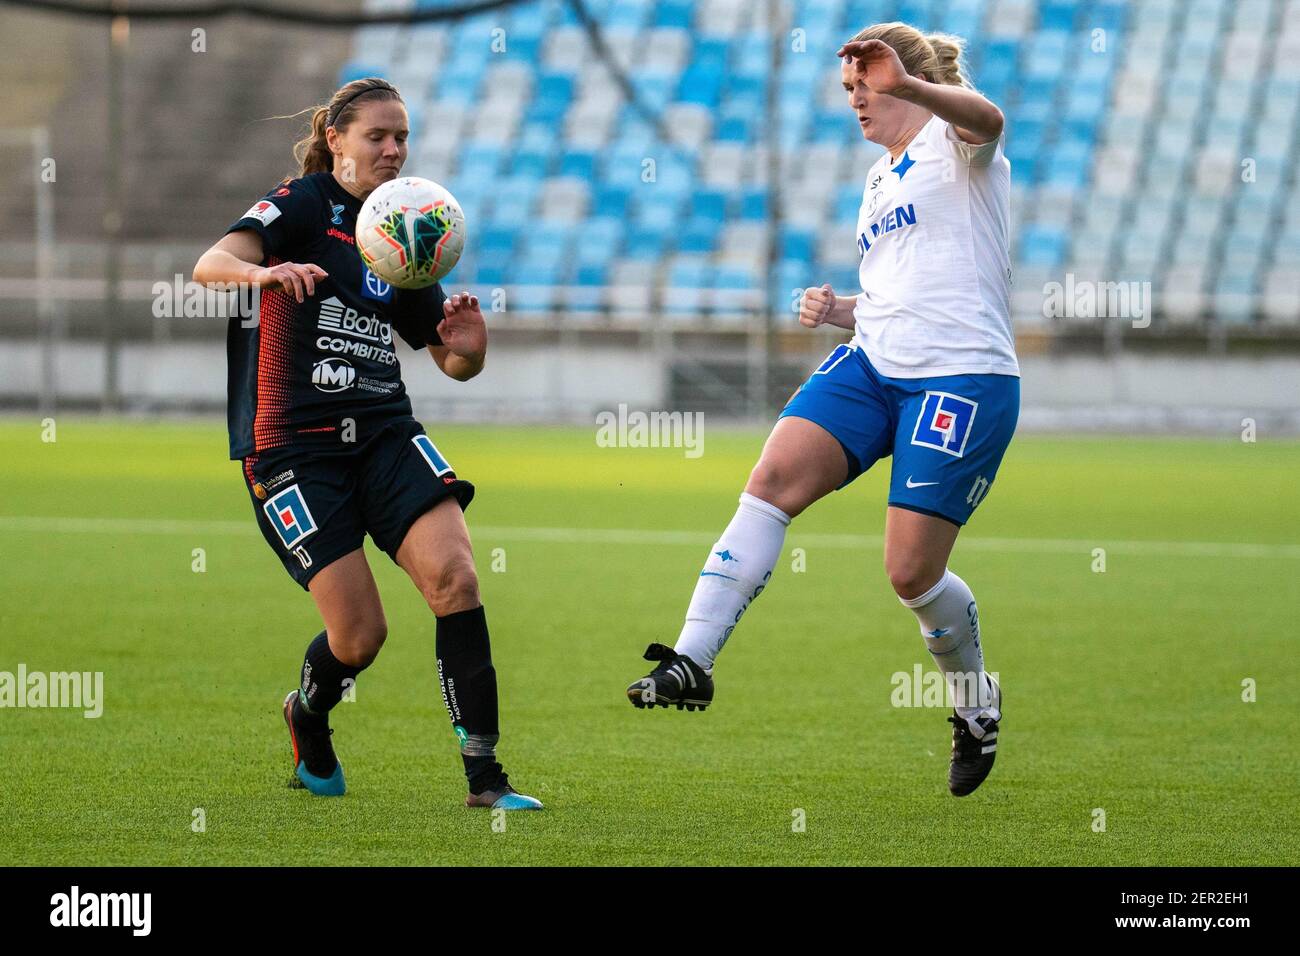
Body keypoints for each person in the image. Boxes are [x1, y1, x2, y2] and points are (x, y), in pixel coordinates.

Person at [625, 23, 1019, 797]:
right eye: (848, 88)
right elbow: (907, 282)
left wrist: (906, 84)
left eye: (866, 83)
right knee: (770, 480)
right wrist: (845, 307)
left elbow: (990, 120)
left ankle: (975, 703)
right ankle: (692, 660)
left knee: (911, 574)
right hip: (875, 364)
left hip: (961, 378)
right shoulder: (880, 177)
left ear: (905, 78)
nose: (857, 99)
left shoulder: (956, 141)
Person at [192, 77, 540, 809]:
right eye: (377, 136)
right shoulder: (301, 203)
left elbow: (447, 358)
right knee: (359, 637)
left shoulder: (403, 223)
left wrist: (469, 348)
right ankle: (307, 715)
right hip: (292, 448)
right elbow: (210, 265)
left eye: (402, 136)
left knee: (458, 580)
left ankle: (486, 778)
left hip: (384, 430)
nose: (393, 149)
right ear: (336, 141)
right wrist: (266, 270)